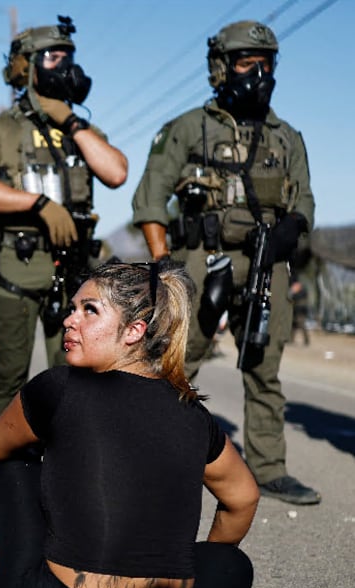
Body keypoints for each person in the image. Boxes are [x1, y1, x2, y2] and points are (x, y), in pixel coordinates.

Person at [0, 261, 260, 588]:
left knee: (14, 473)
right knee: (229, 562)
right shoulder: (193, 415)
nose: (69, 319)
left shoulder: (59, 387)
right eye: (73, 307)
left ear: (135, 331)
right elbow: (244, 497)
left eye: (89, 310)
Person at [132, 20, 319, 505]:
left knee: (263, 365)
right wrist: (165, 270)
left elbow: (306, 204)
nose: (258, 72)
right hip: (200, 258)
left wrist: (291, 228)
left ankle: (269, 468)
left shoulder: (287, 137)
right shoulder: (189, 127)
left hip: (266, 264)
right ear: (222, 67)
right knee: (177, 358)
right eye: (245, 62)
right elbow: (149, 200)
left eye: (267, 63)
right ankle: (152, 458)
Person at [0, 16, 127, 493]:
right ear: (26, 68)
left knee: (77, 370)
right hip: (17, 265)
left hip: (75, 270)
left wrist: (72, 121)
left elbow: (115, 171)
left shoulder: (78, 128)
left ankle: (68, 458)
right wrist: (37, 204)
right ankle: (0, 461)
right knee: (11, 372)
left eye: (68, 58)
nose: (65, 67)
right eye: (53, 58)